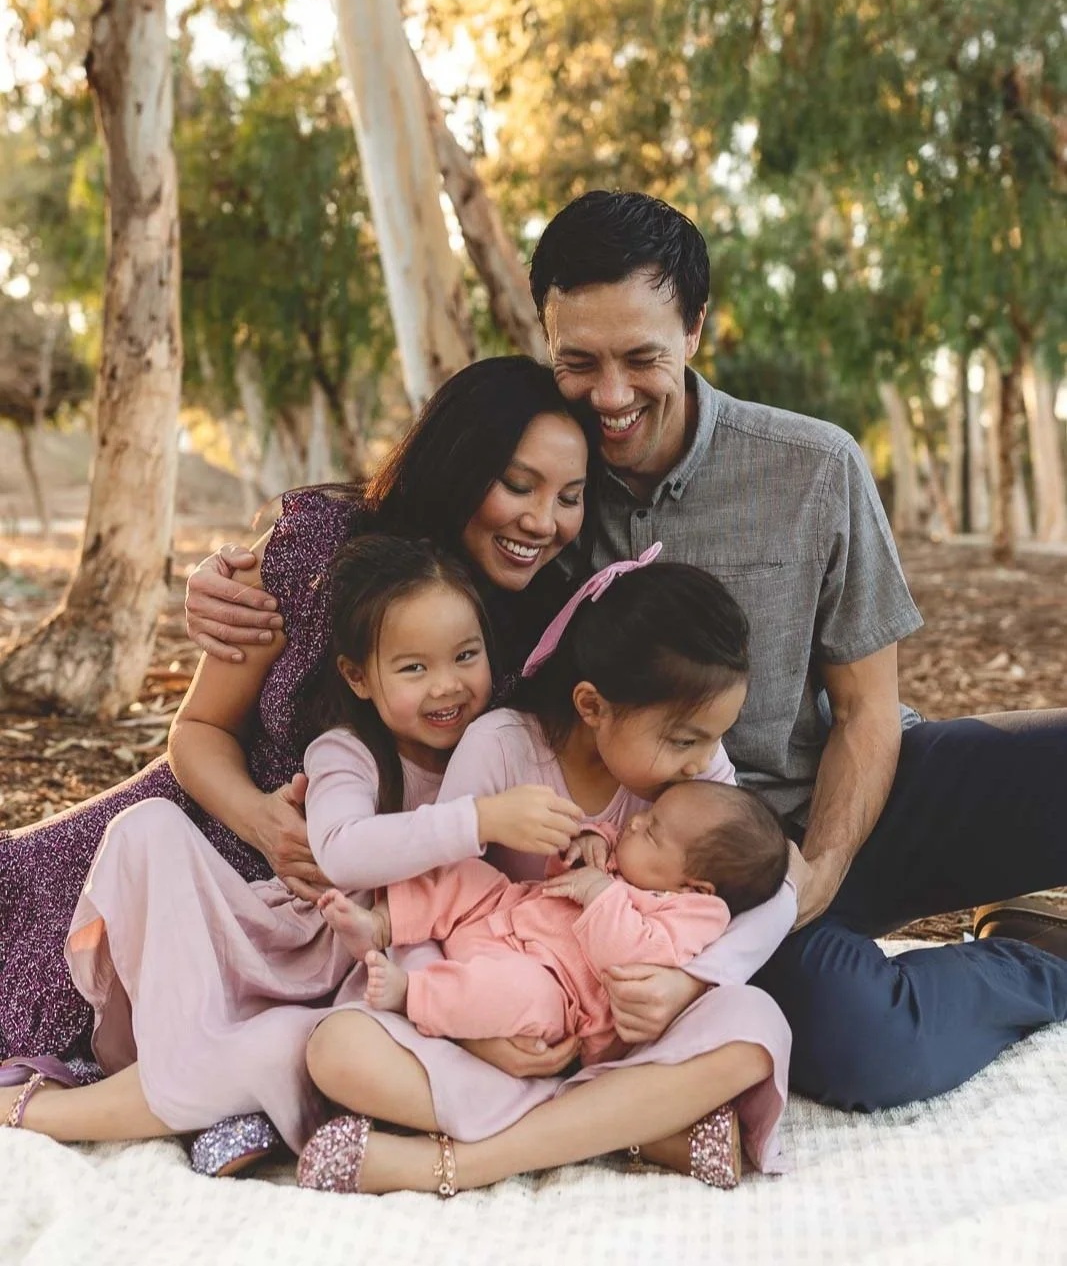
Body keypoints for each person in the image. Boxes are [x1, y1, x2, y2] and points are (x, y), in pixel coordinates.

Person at [197, 191, 1067, 1114]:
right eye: (579, 361)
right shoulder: (536, 496)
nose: (610, 396)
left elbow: (863, 710)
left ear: (695, 326)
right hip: (683, 874)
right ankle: (1038, 958)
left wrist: (815, 871)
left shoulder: (815, 466)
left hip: (855, 795)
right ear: (546, 338)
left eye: (641, 358)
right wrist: (234, 573)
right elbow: (394, 543)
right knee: (868, 1045)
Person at [0, 356, 596, 1166]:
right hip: (200, 853)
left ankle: (163, 1097)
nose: (544, 521)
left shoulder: (540, 635)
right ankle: (169, 1088)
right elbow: (199, 729)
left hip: (350, 938)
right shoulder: (317, 550)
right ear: (461, 464)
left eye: (569, 496)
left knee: (313, 1041)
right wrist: (266, 820)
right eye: (518, 485)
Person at [296, 549, 793, 1196]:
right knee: (337, 1050)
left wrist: (685, 984)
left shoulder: (691, 782)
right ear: (591, 704)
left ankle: (461, 1161)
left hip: (609, 1028)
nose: (702, 762)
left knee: (755, 1027)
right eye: (683, 739)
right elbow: (440, 894)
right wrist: (476, 1038)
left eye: (712, 739)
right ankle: (634, 1126)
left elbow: (774, 894)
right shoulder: (502, 746)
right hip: (496, 1002)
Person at [319, 779, 788, 1066]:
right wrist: (583, 846)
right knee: (463, 873)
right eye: (648, 816)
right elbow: (561, 875)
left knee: (516, 997)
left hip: (556, 989)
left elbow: (632, 956)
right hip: (504, 911)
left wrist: (601, 895)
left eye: (654, 831)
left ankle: (412, 995)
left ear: (696, 885)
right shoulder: (622, 856)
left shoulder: (696, 914)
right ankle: (379, 924)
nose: (636, 825)